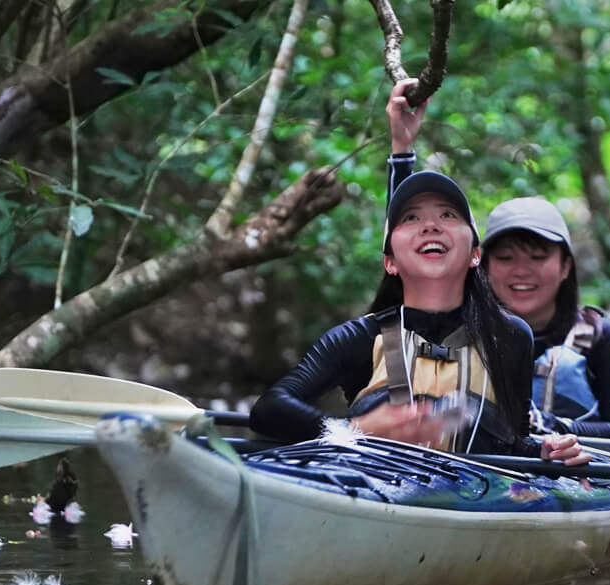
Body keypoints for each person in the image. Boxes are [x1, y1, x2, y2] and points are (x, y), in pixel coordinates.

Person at [250, 167, 588, 464]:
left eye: (448, 216)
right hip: (377, 495)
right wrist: (349, 430)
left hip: (476, 502)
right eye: (411, 218)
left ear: (474, 254)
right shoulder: (359, 338)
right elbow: (269, 409)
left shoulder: (510, 336)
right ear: (390, 262)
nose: (430, 225)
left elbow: (514, 443)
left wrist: (545, 450)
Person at [386, 80, 610, 439]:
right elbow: (404, 256)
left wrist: (549, 429)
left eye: (538, 257)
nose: (522, 271)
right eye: (505, 257)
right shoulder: (462, 330)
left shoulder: (600, 337)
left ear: (565, 266)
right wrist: (402, 149)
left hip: (578, 472)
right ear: (483, 267)